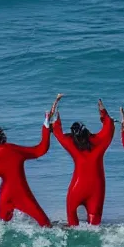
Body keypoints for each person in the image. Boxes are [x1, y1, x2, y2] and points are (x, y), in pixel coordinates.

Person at [0, 104, 54, 227]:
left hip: (5, 199)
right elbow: (41, 149)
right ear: (4, 139)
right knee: (45, 224)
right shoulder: (15, 151)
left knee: (3, 228)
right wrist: (46, 125)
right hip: (22, 195)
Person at [52, 96, 115, 226]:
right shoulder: (101, 140)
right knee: (95, 229)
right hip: (96, 190)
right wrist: (102, 110)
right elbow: (109, 124)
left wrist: (56, 106)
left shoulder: (71, 143)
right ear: (86, 130)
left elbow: (56, 130)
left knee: (72, 226)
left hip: (77, 189)